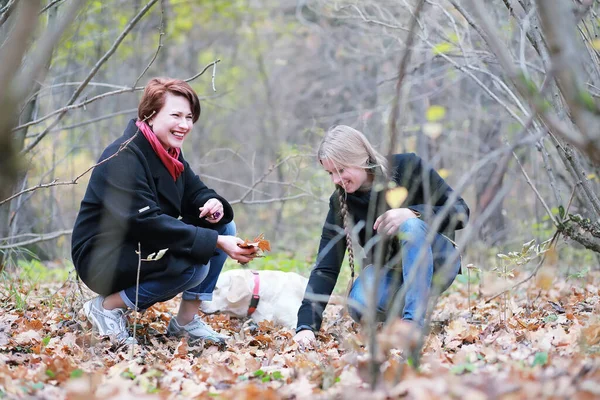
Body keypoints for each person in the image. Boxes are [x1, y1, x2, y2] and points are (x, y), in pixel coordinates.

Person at [71, 77, 257, 345]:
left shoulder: (169, 154)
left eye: (190, 117)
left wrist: (212, 205)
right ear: (150, 114)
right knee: (193, 268)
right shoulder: (124, 155)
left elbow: (195, 192)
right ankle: (107, 307)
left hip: (139, 245)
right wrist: (215, 242)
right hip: (104, 255)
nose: (185, 125)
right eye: (176, 115)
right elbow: (144, 221)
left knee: (224, 227)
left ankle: (186, 323)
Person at [293, 125, 469, 345]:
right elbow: (326, 266)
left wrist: (413, 213)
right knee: (359, 303)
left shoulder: (408, 166)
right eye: (330, 173)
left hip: (439, 261)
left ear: (360, 159)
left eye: (340, 170)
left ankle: (413, 324)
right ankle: (403, 315)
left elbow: (461, 212)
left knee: (411, 227)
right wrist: (306, 326)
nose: (336, 180)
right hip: (391, 275)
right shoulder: (341, 202)